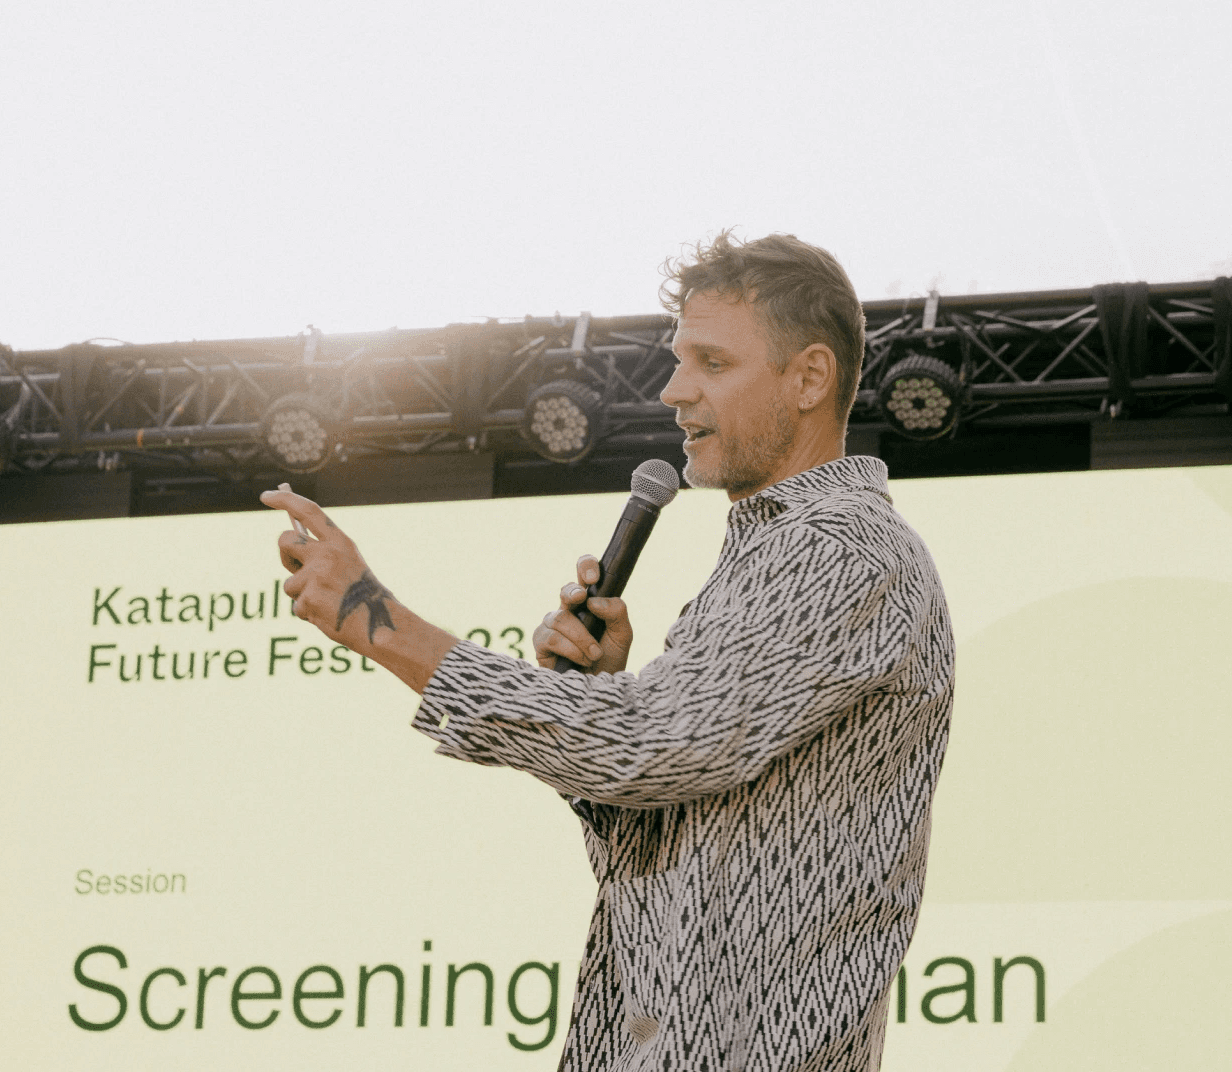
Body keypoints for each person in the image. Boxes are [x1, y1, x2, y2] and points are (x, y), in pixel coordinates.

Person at [261, 231, 954, 1071]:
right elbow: (656, 838)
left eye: (711, 363)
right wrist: (604, 694)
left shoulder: (839, 550)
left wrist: (377, 619)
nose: (673, 390)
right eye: (677, 360)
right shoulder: (773, 556)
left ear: (809, 378)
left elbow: (652, 747)